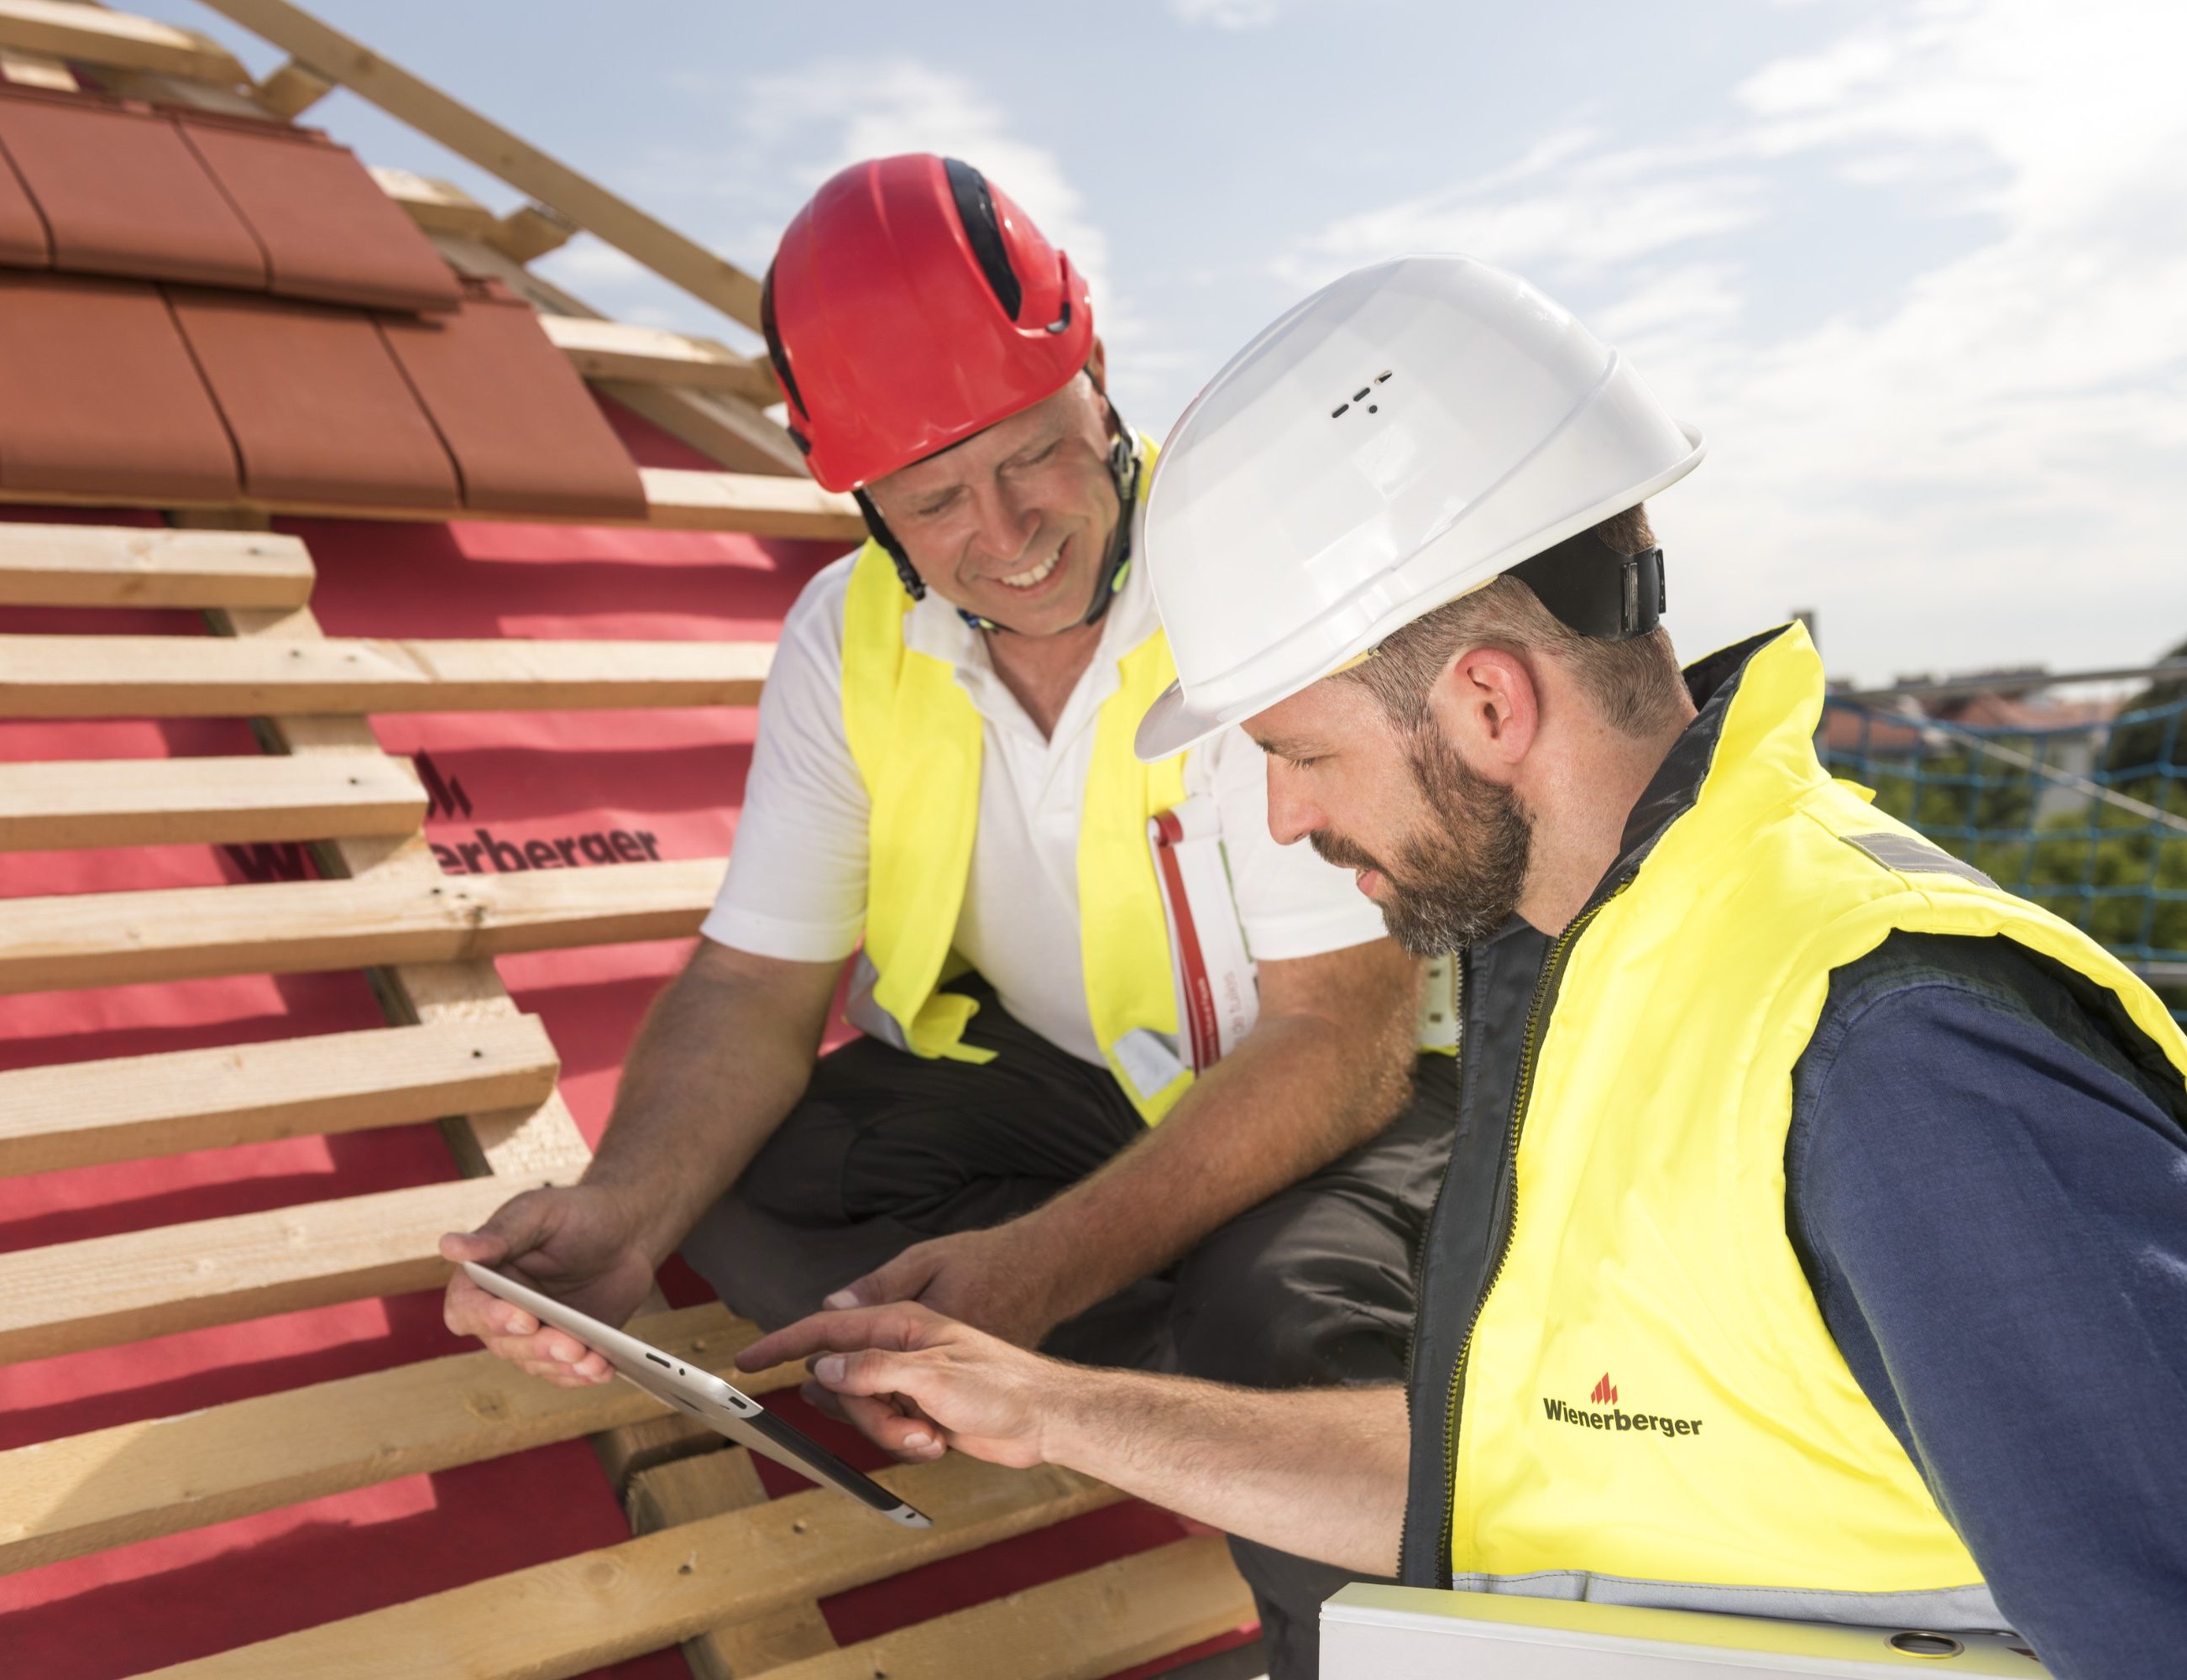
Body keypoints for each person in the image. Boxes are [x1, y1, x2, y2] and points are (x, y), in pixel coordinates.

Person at [740, 256, 2187, 1680]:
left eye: (1301, 756)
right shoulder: (1607, 976)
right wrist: (1053, 1409)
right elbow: (1517, 1476)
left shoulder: (1887, 1057)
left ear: (1487, 702)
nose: (1291, 815)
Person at [439, 159, 1458, 1672]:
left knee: (1284, 1312)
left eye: (1036, 455)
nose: (1009, 533)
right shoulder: (846, 636)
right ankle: (1223, 1389)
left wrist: (1039, 1272)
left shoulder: (1254, 586)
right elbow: (748, 991)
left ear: (1101, 387)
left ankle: (1297, 1439)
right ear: (860, 500)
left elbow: (1340, 1040)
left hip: (1365, 1096)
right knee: (737, 1183)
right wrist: (620, 1219)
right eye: (934, 498)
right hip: (1072, 1097)